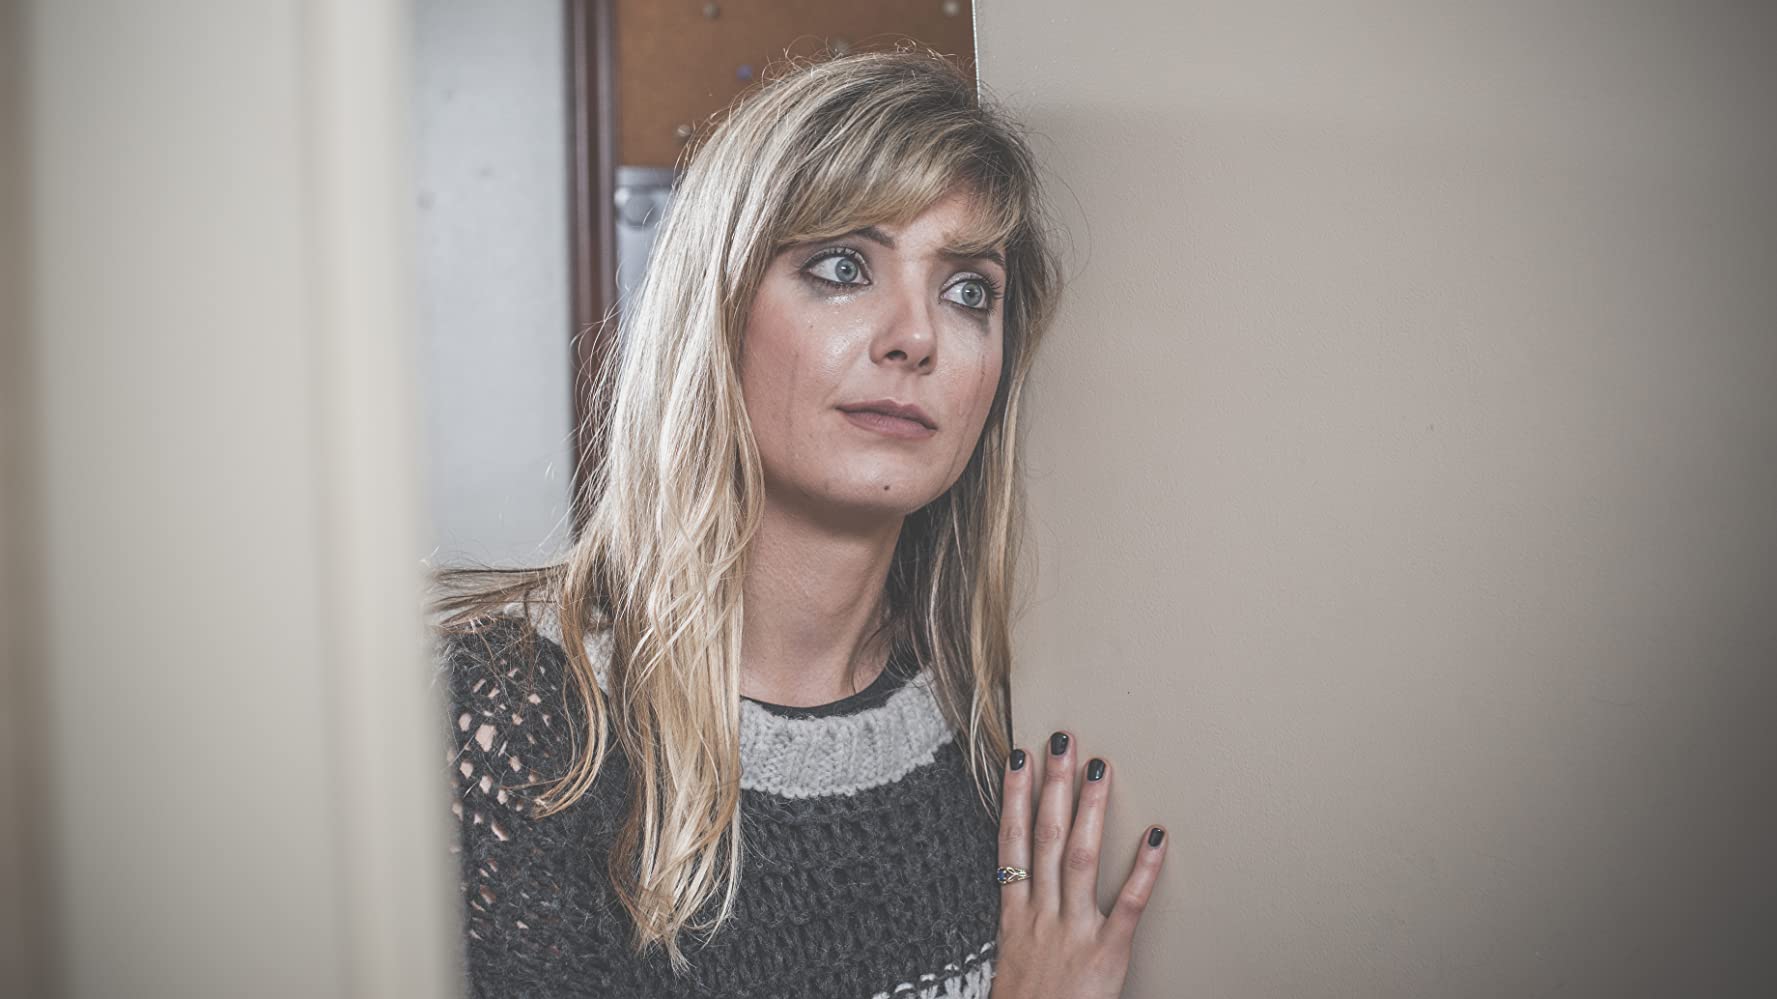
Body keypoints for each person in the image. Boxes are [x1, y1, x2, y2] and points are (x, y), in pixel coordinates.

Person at [429, 47, 1168, 999]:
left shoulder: (1000, 720)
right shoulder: (507, 719)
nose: (916, 336)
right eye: (842, 266)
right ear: (718, 307)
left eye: (967, 290)